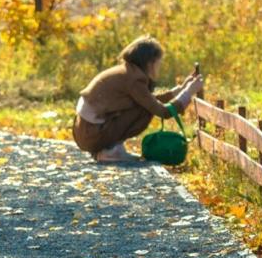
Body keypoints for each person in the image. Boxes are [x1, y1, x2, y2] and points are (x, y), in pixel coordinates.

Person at [73, 35, 204, 162]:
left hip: (86, 131)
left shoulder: (128, 72)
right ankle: (110, 151)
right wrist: (189, 92)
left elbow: (147, 99)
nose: (160, 67)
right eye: (159, 62)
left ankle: (109, 150)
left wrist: (180, 90)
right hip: (91, 134)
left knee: (144, 106)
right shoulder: (134, 79)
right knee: (146, 110)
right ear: (150, 63)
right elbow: (162, 111)